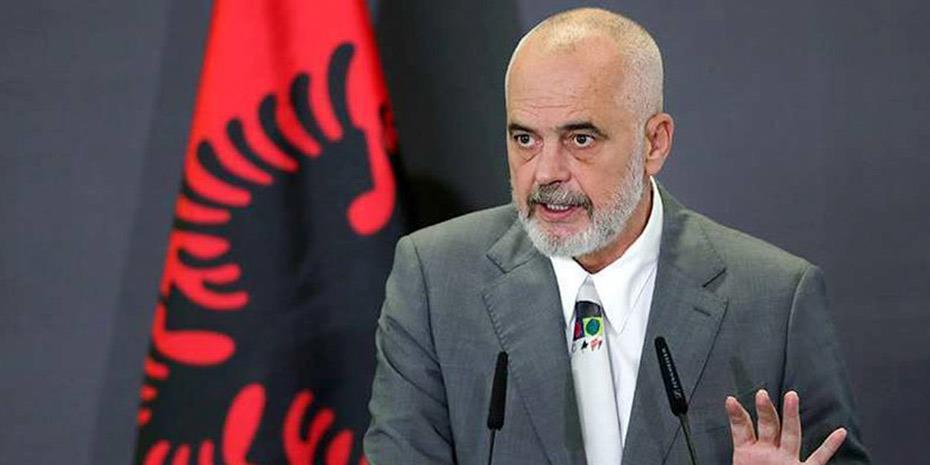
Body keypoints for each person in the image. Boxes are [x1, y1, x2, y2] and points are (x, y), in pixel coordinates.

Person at [364, 7, 869, 465]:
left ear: (654, 143)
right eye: (525, 138)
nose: (546, 172)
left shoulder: (775, 301)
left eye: (580, 138)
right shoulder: (435, 281)